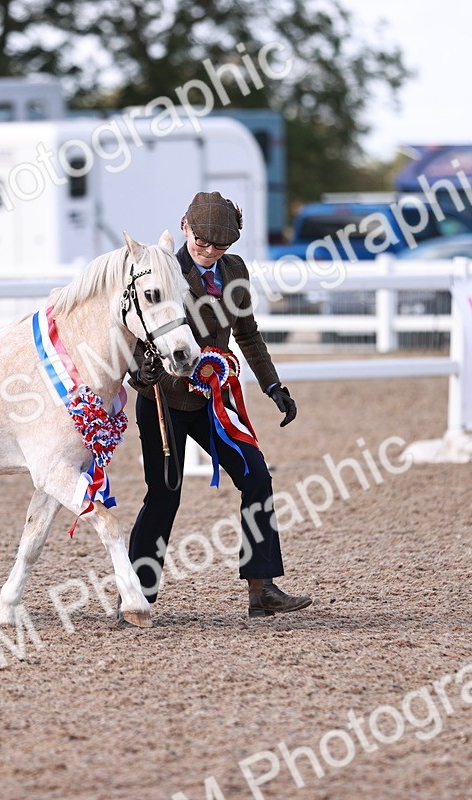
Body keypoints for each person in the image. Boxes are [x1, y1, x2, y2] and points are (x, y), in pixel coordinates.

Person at [125, 191, 313, 621]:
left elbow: (247, 333)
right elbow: (136, 327)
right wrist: (141, 375)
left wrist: (272, 384)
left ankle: (261, 589)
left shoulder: (235, 272)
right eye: (202, 244)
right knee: (165, 495)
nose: (210, 253)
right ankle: (138, 595)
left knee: (256, 476)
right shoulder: (162, 269)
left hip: (212, 399)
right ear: (185, 226)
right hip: (163, 399)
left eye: (220, 247)